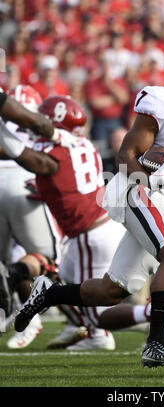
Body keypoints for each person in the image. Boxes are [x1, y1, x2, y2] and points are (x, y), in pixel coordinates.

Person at [13, 40, 164, 368]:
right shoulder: (163, 102)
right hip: (138, 191)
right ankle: (156, 344)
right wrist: (150, 179)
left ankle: (48, 294)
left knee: (112, 291)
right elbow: (126, 155)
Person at [1, 94, 164, 351]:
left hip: (89, 233)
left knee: (97, 310)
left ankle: (147, 315)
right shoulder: (83, 144)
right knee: (59, 280)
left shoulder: (53, 153)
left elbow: (30, 158)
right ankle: (90, 332)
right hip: (97, 228)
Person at [0, 85, 62, 349]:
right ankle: (32, 317)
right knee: (48, 260)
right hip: (25, 182)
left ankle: (10, 315)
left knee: (4, 263)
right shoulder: (39, 123)